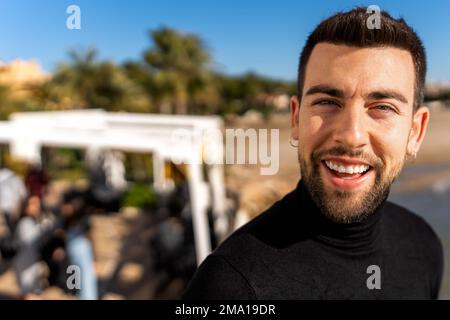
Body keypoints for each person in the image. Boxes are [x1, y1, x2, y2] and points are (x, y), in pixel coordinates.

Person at [183, 7, 443, 299]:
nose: (351, 136)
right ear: (296, 119)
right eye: (327, 102)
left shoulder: (424, 244)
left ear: (415, 132)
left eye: (382, 107)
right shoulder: (230, 285)